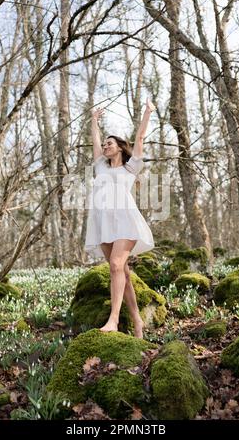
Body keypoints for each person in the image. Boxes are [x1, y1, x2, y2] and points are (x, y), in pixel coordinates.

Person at [84, 98, 156, 338]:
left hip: (125, 221)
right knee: (121, 272)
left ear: (119, 148)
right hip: (104, 223)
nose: (105, 146)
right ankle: (137, 321)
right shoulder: (100, 167)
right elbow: (94, 141)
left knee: (116, 265)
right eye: (104, 144)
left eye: (110, 143)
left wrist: (147, 112)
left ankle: (113, 320)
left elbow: (140, 138)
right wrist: (94, 121)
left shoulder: (130, 167)